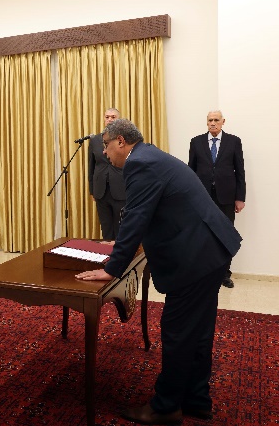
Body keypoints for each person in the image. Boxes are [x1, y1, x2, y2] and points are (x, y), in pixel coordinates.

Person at [75, 119, 241, 425]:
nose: (105, 152)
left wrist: (112, 269)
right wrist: (122, 244)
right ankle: (197, 399)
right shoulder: (149, 156)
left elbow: (136, 217)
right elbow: (149, 212)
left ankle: (165, 407)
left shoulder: (140, 165)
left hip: (196, 257)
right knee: (198, 332)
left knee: (178, 332)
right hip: (210, 251)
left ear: (121, 142)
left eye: (106, 145)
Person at [189, 110, 246, 288]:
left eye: (216, 120)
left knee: (225, 234)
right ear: (206, 122)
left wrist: (240, 198)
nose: (213, 123)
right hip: (202, 197)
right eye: (210, 120)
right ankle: (204, 272)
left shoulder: (234, 141)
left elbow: (240, 171)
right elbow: (191, 171)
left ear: (223, 122)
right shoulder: (196, 141)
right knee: (202, 235)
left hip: (227, 197)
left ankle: (224, 274)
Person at [88, 108, 125, 240]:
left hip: (121, 189)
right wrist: (92, 190)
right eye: (107, 117)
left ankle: (122, 257)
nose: (109, 120)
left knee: (121, 228)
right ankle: (109, 258)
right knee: (106, 228)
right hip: (101, 191)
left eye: (113, 117)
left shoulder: (124, 139)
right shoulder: (95, 140)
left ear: (118, 120)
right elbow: (91, 166)